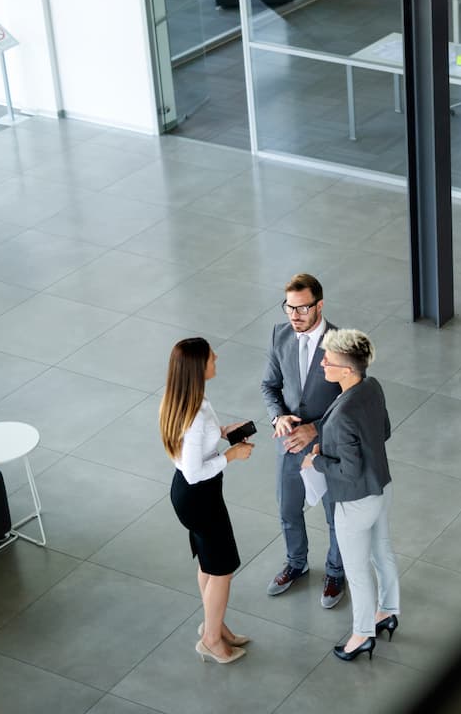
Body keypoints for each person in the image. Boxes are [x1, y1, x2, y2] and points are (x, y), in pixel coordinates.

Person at [299, 328, 400, 662]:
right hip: (381, 486)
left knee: (356, 572)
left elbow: (349, 471)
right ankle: (387, 612)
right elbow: (383, 431)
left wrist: (317, 460)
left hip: (355, 501)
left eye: (328, 360)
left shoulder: (342, 414)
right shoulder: (372, 387)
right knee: (382, 552)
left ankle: (362, 635)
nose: (322, 364)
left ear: (346, 370)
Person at [160, 337, 255, 665]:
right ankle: (211, 640)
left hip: (194, 496)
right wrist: (231, 456)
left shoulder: (186, 400)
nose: (217, 357)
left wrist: (225, 432)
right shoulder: (195, 416)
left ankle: (214, 625)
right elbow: (193, 473)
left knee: (208, 562)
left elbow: (195, 446)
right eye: (211, 356)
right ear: (199, 368)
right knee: (223, 569)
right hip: (199, 496)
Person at [261, 273, 346, 607]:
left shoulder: (342, 343)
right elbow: (269, 386)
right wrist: (278, 417)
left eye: (302, 308)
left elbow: (353, 404)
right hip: (290, 444)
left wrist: (317, 429)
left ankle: (336, 572)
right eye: (289, 307)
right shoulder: (280, 335)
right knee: (288, 509)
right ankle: (296, 564)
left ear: (319, 305)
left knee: (335, 515)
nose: (294, 315)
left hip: (329, 447)